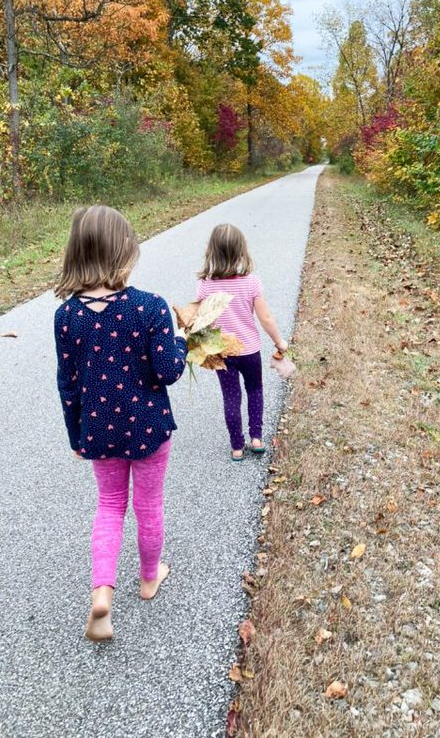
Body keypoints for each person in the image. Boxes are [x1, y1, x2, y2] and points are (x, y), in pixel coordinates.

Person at [54, 205, 187, 642]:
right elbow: (168, 370)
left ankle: (102, 595)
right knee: (148, 506)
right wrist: (182, 342)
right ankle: (149, 578)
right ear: (124, 253)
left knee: (109, 506)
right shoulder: (149, 308)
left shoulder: (67, 316)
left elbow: (68, 383)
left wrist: (76, 435)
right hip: (148, 428)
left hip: (97, 428)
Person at [196, 223, 287, 461]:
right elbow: (265, 317)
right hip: (249, 350)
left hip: (221, 351)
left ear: (212, 252)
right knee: (255, 390)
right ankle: (256, 437)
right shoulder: (251, 282)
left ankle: (237, 446)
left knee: (231, 396)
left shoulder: (205, 285)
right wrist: (279, 342)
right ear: (241, 251)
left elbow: (200, 320)